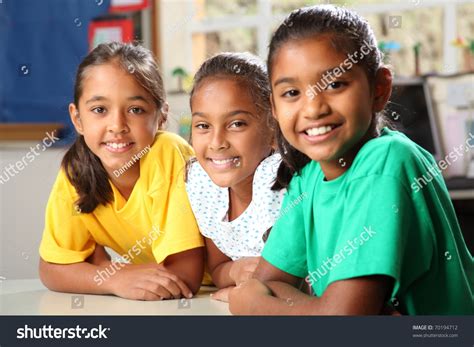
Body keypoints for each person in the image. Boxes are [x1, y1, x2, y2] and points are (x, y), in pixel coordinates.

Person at [229, 5, 473, 315]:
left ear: (379, 89)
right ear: (274, 108)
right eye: (291, 92)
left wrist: (254, 305)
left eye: (334, 84)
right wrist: (319, 308)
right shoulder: (308, 178)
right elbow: (269, 283)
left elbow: (340, 319)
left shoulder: (387, 162)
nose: (313, 108)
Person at [39, 42, 204, 301]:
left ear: (161, 116)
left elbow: (185, 276)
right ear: (77, 118)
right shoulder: (76, 171)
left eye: (135, 110)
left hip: (223, 287)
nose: (117, 126)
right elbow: (52, 269)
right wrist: (114, 277)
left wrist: (102, 268)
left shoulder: (168, 152)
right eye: (99, 110)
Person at [186, 52, 285, 301]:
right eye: (203, 126)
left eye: (237, 124)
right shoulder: (202, 183)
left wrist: (238, 294)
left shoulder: (278, 180)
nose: (217, 142)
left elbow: (286, 282)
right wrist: (236, 270)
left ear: (273, 129)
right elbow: (219, 269)